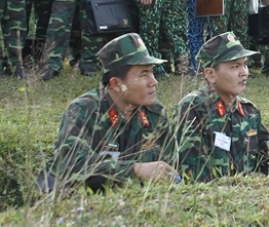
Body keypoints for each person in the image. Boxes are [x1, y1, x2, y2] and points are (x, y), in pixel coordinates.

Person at [41, 33, 176, 192]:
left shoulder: (155, 113)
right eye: (144, 74)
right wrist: (134, 170)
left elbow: (169, 164)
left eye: (152, 72)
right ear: (116, 84)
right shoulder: (84, 111)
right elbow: (71, 164)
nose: (154, 82)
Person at [173, 32, 269, 181]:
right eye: (235, 66)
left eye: (245, 65)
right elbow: (191, 173)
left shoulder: (248, 111)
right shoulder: (193, 109)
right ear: (210, 75)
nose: (244, 73)